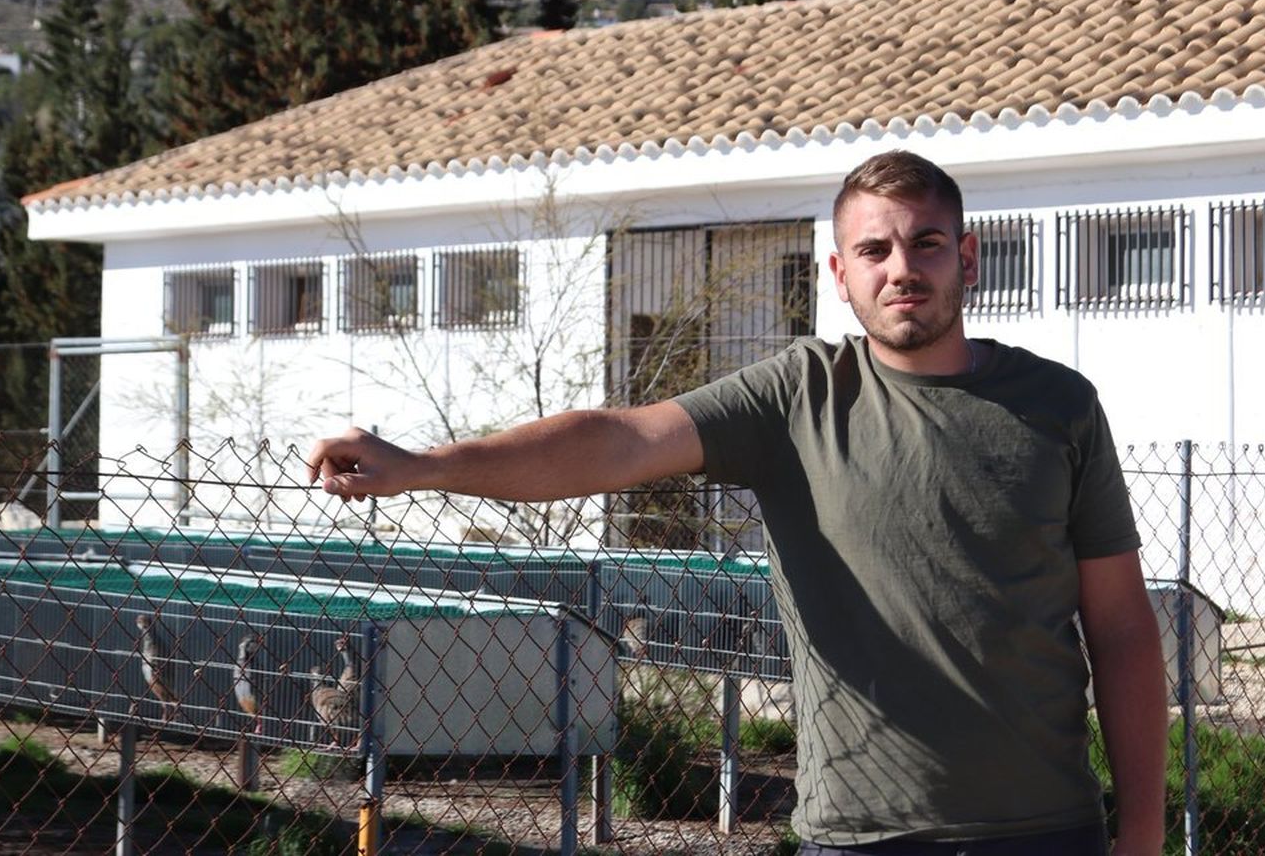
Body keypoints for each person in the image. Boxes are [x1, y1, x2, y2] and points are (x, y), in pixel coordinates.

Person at [307, 150, 1166, 855]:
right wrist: (422, 464)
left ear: (966, 257)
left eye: (927, 243)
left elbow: (1123, 628)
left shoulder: (1059, 405)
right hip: (860, 836)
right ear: (839, 273)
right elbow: (618, 438)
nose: (902, 268)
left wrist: (1144, 829)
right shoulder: (796, 398)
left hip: (1049, 831)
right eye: (875, 250)